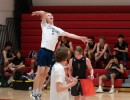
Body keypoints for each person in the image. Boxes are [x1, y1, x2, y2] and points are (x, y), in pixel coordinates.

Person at [30, 11, 88, 100]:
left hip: (50, 53)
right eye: (48, 15)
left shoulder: (58, 29)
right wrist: (41, 13)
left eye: (51, 15)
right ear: (45, 18)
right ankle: (33, 93)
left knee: (45, 74)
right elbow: (43, 14)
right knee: (40, 72)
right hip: (43, 50)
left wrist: (80, 37)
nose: (50, 16)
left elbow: (69, 34)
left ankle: (38, 92)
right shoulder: (44, 25)